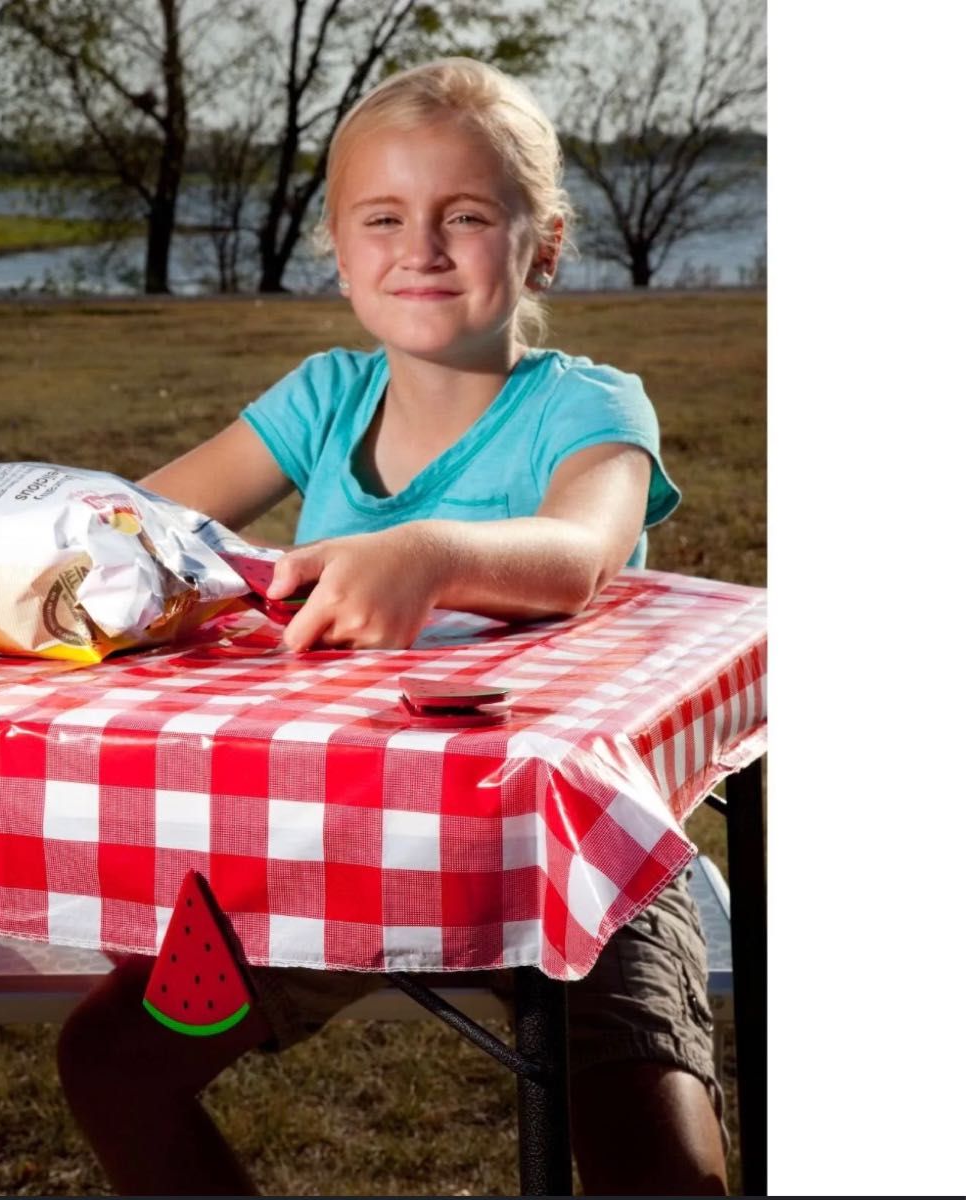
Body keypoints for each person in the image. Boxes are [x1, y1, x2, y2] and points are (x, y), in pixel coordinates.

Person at [56, 57, 727, 1196]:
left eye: (465, 216)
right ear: (339, 244)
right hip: (330, 851)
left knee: (646, 1149)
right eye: (384, 217)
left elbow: (578, 554)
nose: (420, 247)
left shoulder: (589, 405)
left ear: (541, 245)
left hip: (574, 851)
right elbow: (131, 523)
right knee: (112, 1062)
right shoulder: (321, 400)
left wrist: (428, 552)